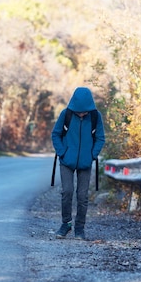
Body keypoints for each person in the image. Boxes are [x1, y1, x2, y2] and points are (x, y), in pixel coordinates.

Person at [51, 87, 105, 240]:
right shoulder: (66, 114)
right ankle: (65, 224)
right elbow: (56, 134)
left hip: (85, 162)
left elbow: (100, 138)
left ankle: (79, 228)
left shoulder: (95, 116)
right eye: (79, 112)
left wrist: (92, 155)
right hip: (66, 161)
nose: (82, 114)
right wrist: (62, 152)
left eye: (84, 112)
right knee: (67, 191)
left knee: (82, 196)